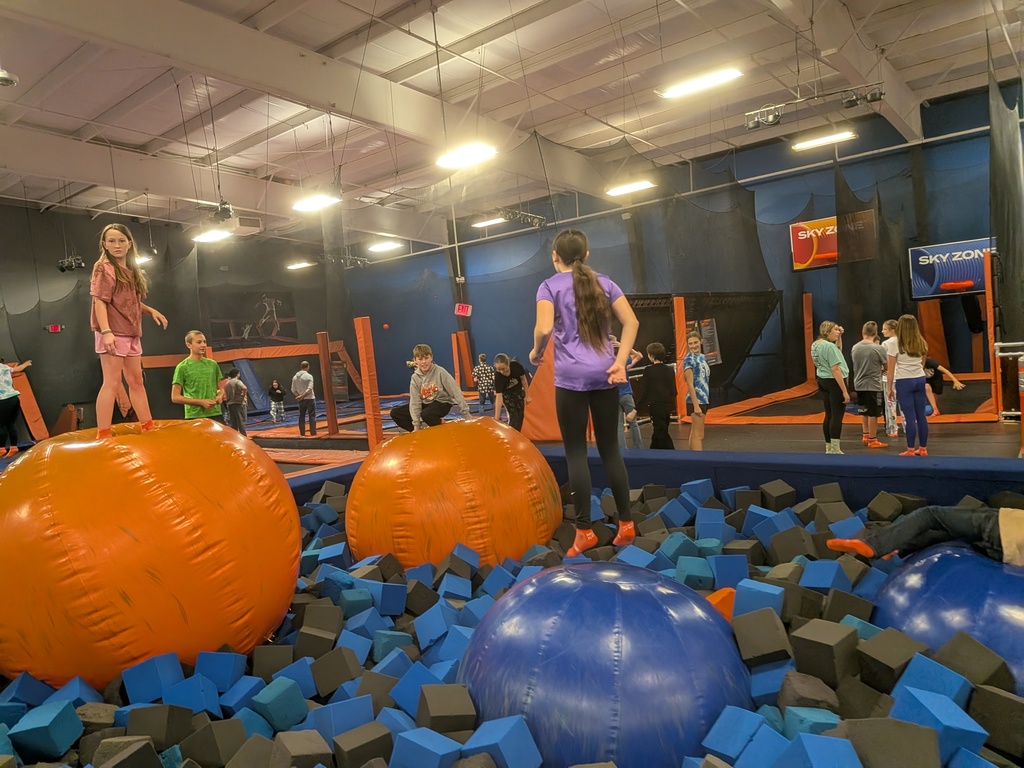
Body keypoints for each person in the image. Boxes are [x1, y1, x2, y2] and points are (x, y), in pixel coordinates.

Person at [530, 228, 640, 557]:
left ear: (554, 258)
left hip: (571, 379)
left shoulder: (548, 286)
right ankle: (626, 524)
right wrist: (620, 361)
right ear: (587, 254)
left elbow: (546, 327)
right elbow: (631, 323)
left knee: (576, 452)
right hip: (606, 374)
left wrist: (537, 351)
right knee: (610, 451)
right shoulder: (605, 282)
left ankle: (584, 531)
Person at [90, 223, 168, 439]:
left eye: (121, 240)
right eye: (112, 241)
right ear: (104, 244)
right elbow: (100, 302)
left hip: (132, 332)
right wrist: (106, 332)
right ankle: (103, 433)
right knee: (112, 382)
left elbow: (130, 303)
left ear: (129, 243)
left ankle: (147, 425)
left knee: (136, 380)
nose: (117, 245)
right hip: (113, 331)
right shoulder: (104, 269)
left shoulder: (132, 270)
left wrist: (150, 310)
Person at [827, 504, 1023, 567]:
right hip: (1008, 550)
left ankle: (874, 544)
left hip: (1002, 527)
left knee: (931, 515)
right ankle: (900, 546)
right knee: (952, 532)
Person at [390, 344, 470, 432]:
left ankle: (441, 425)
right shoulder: (415, 378)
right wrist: (416, 426)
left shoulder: (440, 372)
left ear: (431, 357)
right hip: (426, 403)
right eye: (420, 359)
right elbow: (415, 402)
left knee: (427, 414)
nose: (424, 362)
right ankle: (418, 432)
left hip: (442, 402)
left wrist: (465, 413)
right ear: (415, 361)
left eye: (426, 358)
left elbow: (455, 391)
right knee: (396, 413)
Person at [887, 314, 929, 456]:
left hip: (904, 380)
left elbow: (891, 370)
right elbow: (923, 362)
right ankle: (923, 448)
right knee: (921, 415)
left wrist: (889, 389)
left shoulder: (895, 343)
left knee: (909, 417)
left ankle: (910, 449)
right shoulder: (921, 341)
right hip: (919, 378)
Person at [811, 321, 850, 454]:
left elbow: (837, 350)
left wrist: (839, 337)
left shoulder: (816, 344)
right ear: (827, 332)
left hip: (823, 380)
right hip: (834, 382)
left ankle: (829, 447)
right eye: (835, 330)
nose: (838, 332)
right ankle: (835, 448)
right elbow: (835, 368)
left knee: (829, 414)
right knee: (837, 415)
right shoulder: (829, 347)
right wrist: (844, 391)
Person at [850, 321, 889, 449]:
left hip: (859, 384)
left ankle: (865, 435)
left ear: (863, 332)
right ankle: (873, 439)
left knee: (864, 411)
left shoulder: (855, 347)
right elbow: (886, 366)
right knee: (873, 413)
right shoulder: (878, 348)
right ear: (875, 333)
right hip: (873, 385)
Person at [171, 330, 224, 420]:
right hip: (194, 416)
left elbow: (220, 389)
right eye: (199, 342)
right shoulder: (182, 367)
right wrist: (200, 402)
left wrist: (219, 396)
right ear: (189, 345)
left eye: (204, 342)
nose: (203, 345)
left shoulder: (213, 364)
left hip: (215, 413)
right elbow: (175, 397)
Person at [638, 342, 677, 450]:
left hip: (654, 405)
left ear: (651, 355)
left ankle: (671, 453)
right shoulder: (669, 370)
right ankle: (653, 451)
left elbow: (645, 392)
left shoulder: (648, 371)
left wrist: (636, 409)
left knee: (660, 431)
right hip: (666, 404)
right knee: (661, 429)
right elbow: (674, 390)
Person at [611, 336, 643, 450]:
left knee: (618, 426)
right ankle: (638, 447)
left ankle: (622, 449)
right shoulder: (623, 359)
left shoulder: (607, 361)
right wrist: (623, 346)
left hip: (613, 396)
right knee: (633, 423)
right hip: (626, 394)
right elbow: (638, 355)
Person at [682, 332, 710, 451]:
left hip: (704, 398)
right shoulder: (689, 359)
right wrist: (696, 405)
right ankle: (699, 462)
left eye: (695, 342)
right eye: (690, 343)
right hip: (696, 400)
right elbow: (689, 383)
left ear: (701, 341)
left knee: (694, 433)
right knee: (699, 435)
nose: (693, 345)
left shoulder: (702, 357)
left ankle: (691, 459)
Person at [0, 357, 31, 458]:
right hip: (14, 398)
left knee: (1, 425)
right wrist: (25, 364)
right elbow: (18, 369)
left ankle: (1, 448)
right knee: (10, 424)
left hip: (3, 399)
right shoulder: (5, 367)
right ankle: (14, 447)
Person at [493, 353, 531, 431]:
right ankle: (512, 438)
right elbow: (499, 396)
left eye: (504, 368)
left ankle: (517, 435)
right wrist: (497, 418)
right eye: (498, 369)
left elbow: (523, 380)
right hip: (507, 396)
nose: (502, 372)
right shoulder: (498, 376)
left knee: (520, 417)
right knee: (514, 419)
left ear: (508, 363)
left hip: (519, 393)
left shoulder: (516, 366)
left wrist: (527, 395)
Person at [881, 319, 901, 439]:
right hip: (902, 377)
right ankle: (907, 425)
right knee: (904, 405)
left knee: (890, 405)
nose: (882, 331)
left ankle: (893, 429)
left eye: (884, 329)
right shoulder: (905, 342)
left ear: (892, 330)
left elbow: (886, 362)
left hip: (890, 377)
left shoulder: (886, 344)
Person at [291, 361, 317, 437]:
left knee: (301, 416)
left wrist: (299, 396)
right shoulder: (309, 376)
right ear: (308, 366)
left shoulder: (295, 377)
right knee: (312, 415)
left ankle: (302, 433)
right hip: (309, 398)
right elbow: (310, 389)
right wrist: (303, 395)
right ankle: (313, 433)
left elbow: (293, 389)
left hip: (301, 400)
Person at [223, 368, 248, 435]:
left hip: (230, 404)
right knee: (241, 421)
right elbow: (244, 388)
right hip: (238, 403)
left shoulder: (227, 383)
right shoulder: (237, 381)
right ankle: (244, 436)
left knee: (233, 422)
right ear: (237, 374)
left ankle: (235, 436)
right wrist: (243, 396)